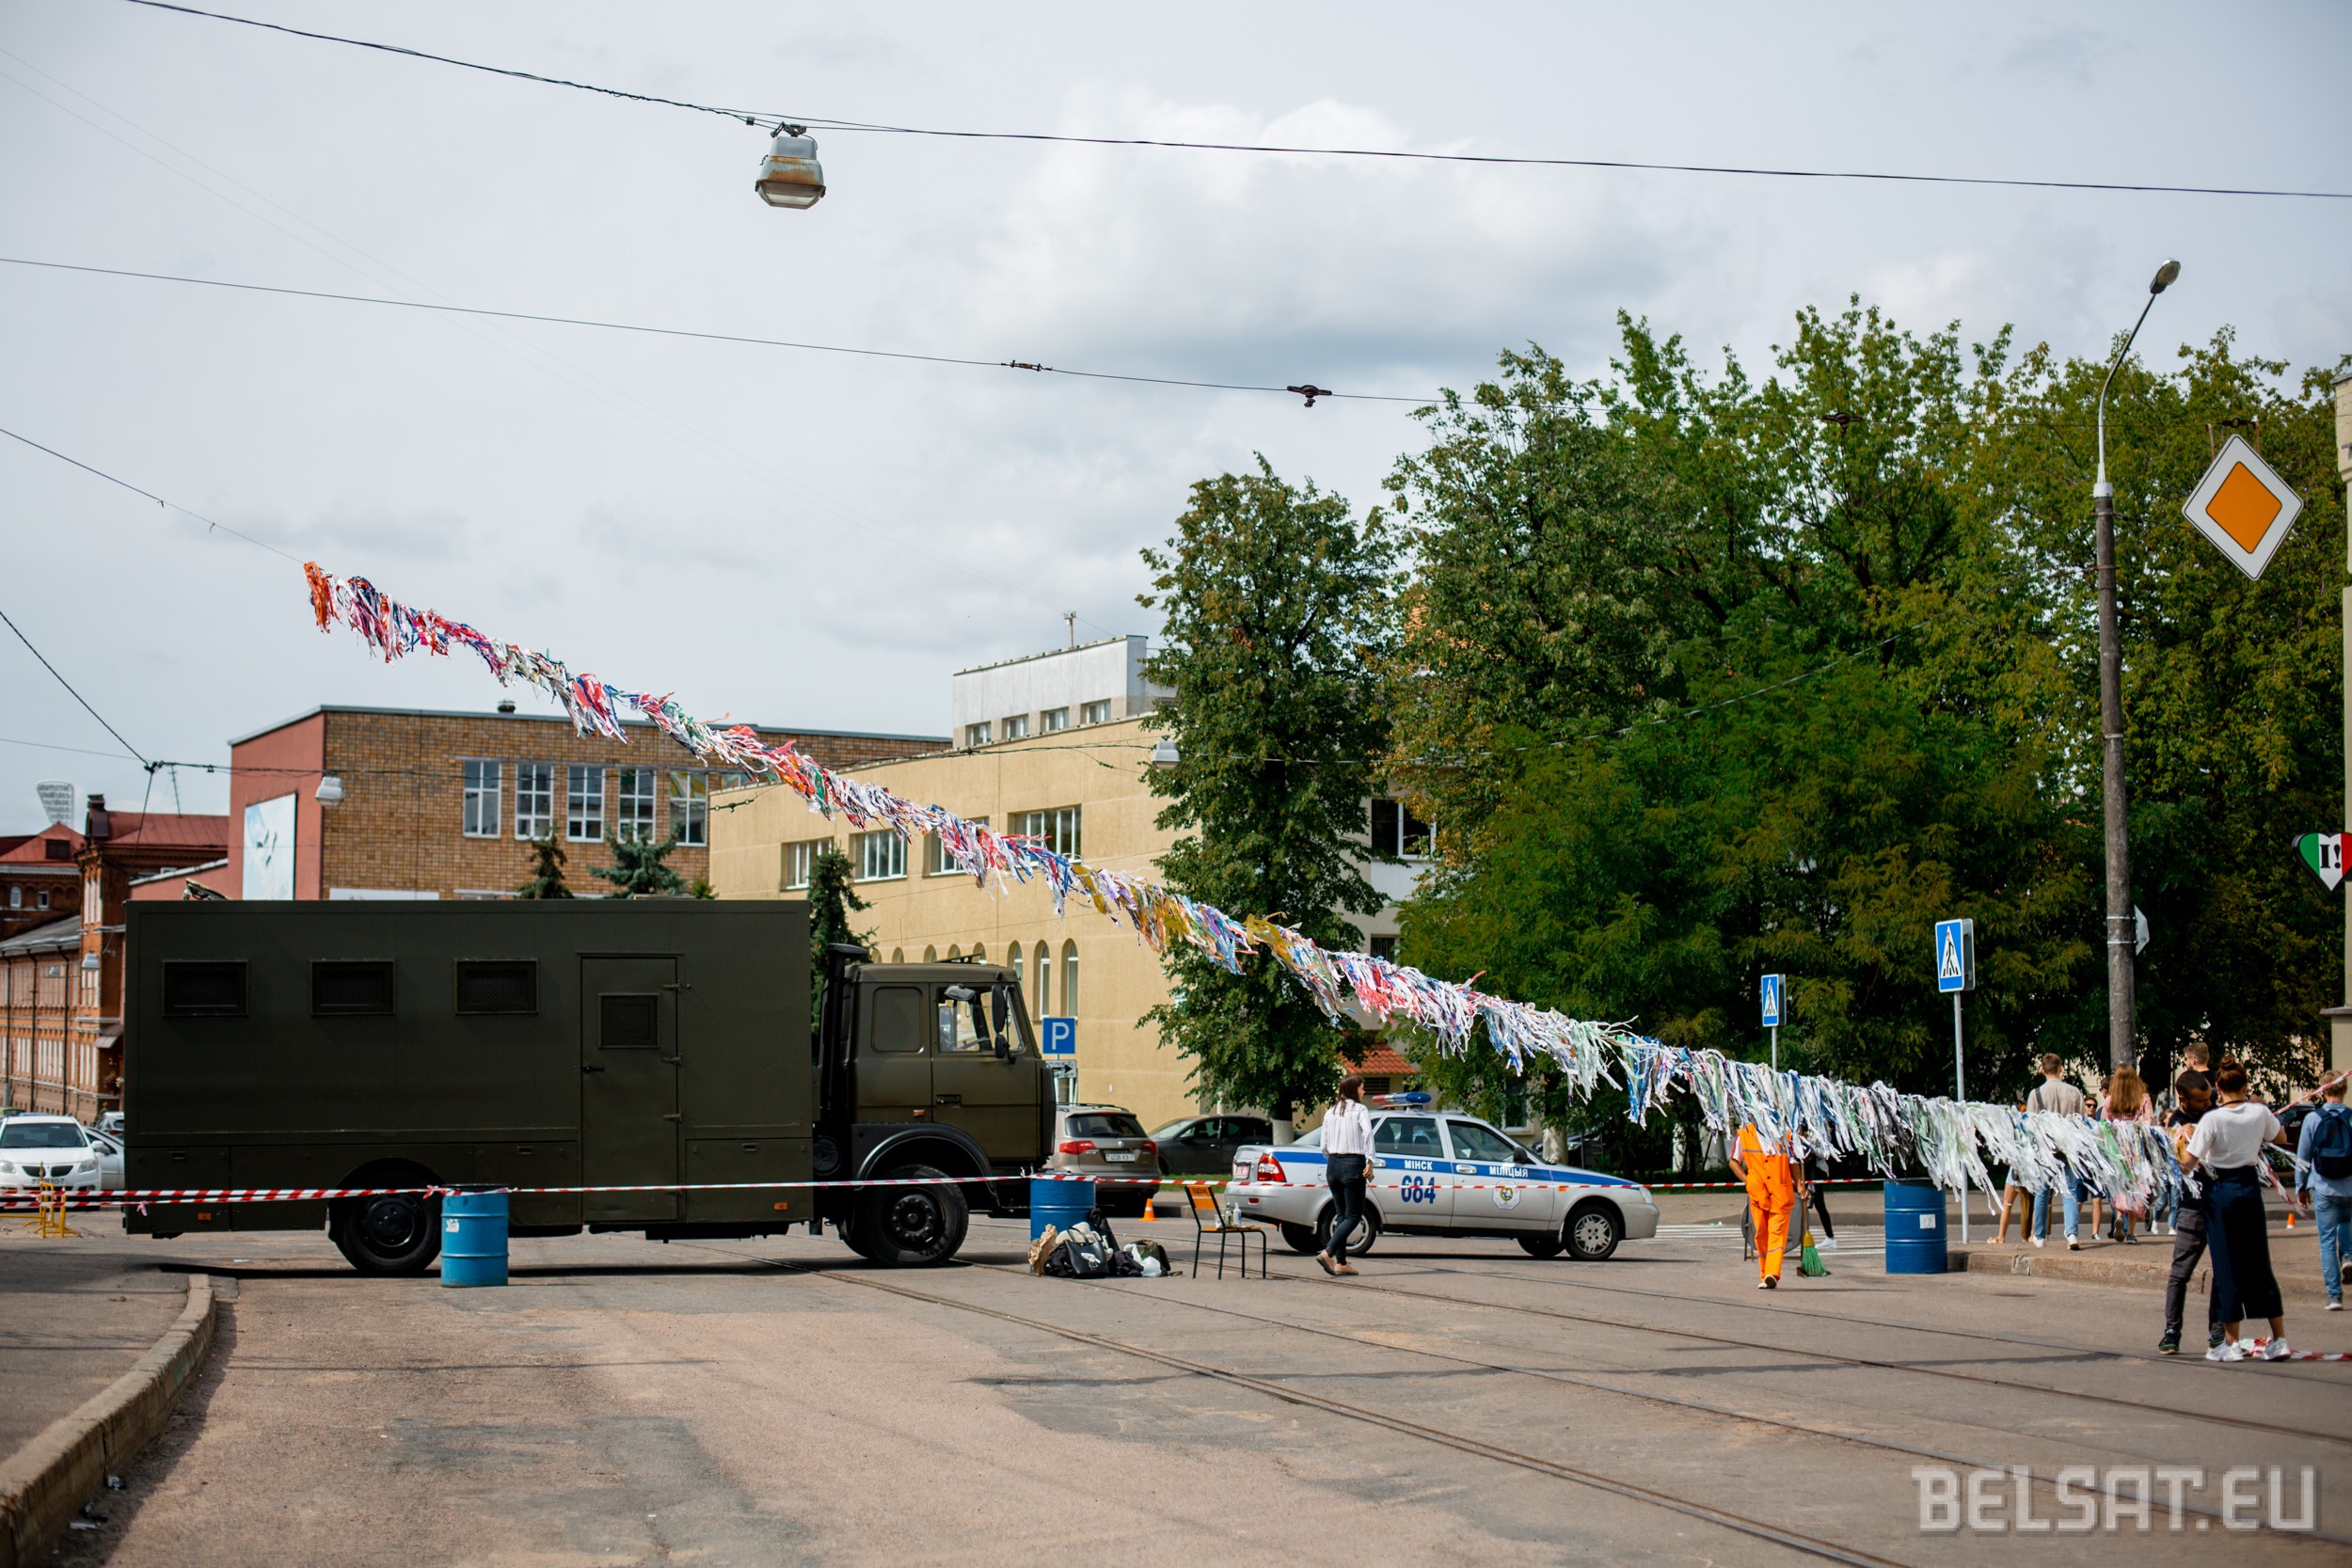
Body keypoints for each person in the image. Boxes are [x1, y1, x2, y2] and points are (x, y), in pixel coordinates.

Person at [2179, 1061, 2293, 1361]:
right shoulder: (2259, 1112)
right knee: (2259, 1262)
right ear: (2245, 1086)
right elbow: (2280, 1138)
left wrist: (2178, 1141)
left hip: (2221, 1192)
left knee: (2227, 1265)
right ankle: (2279, 1339)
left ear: (2218, 1089)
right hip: (2250, 1189)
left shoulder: (2212, 1120)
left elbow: (2189, 1161)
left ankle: (2231, 1343)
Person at [2158, 1070, 2219, 1354]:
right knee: (2179, 1273)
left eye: (2210, 1097)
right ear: (2183, 1099)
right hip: (2192, 1207)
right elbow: (2184, 1163)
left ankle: (2218, 1334)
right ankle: (2172, 1331)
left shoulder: (2216, 1113)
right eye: (2202, 1100)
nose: (2208, 1104)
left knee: (2223, 1272)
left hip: (2221, 1204)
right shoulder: (2177, 1123)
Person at [2294, 1074, 2352, 1311]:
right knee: (2346, 1221)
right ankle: (2348, 1257)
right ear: (2345, 1089)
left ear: (2322, 1090)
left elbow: (2303, 1157)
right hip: (2349, 1186)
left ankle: (2334, 1296)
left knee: (2327, 1241)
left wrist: (2300, 1187)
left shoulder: (2312, 1119)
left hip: (2323, 1186)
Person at [2025, 1055, 2087, 1249]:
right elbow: (2082, 1122)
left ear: (2042, 1070)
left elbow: (2031, 1126)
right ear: (2061, 1068)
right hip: (2068, 1147)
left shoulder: (2036, 1094)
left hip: (2045, 1149)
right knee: (2070, 1191)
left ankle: (2040, 1236)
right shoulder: (2074, 1092)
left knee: (2043, 1191)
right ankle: (2072, 1234)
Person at [1316, 1075, 1374, 1278]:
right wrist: (1370, 1161)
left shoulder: (1330, 1112)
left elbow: (1323, 1145)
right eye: (1362, 1087)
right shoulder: (1360, 1110)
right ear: (1353, 1089)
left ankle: (1340, 1262)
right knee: (1354, 1216)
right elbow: (1368, 1134)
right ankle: (1328, 1252)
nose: (1364, 1091)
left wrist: (1334, 1157)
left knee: (1341, 1214)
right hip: (1352, 1163)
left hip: (1332, 1165)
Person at [1730, 1121, 1799, 1290]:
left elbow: (1793, 1161)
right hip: (1758, 1194)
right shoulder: (1745, 1133)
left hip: (1780, 1194)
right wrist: (1748, 1181)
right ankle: (1764, 1274)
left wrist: (1800, 1184)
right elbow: (1733, 1161)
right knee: (1761, 1233)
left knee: (1776, 1233)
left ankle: (1772, 1274)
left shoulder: (1786, 1134)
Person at [2102, 1066, 2156, 1242]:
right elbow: (2150, 1122)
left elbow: (2103, 1124)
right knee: (2135, 1187)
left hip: (2117, 1148)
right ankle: (2131, 1232)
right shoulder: (2143, 1098)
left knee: (2120, 1185)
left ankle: (2119, 1215)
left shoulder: (2111, 1100)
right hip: (2136, 1150)